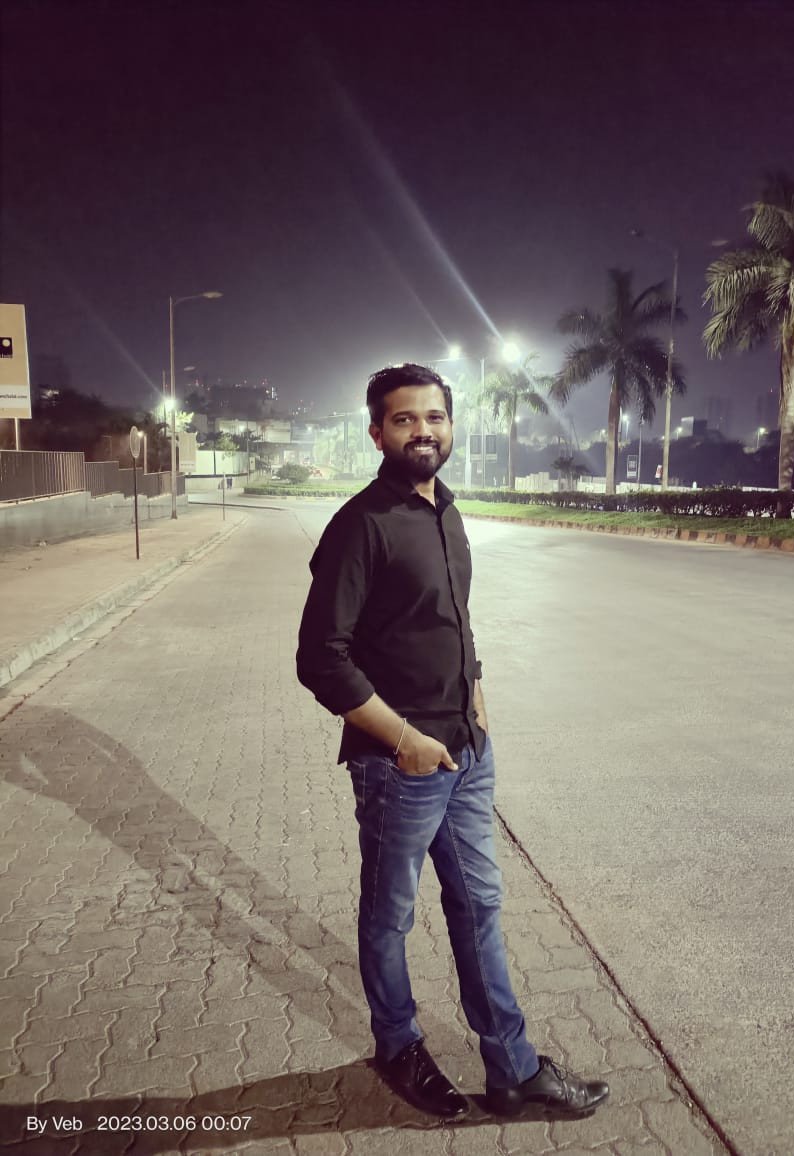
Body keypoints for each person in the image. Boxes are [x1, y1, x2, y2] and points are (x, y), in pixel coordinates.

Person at [297, 363, 609, 1120]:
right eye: (403, 419)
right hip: (399, 764)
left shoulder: (447, 511)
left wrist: (476, 695)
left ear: (451, 427)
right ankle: (398, 1047)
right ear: (376, 433)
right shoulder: (360, 525)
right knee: (390, 917)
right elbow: (320, 658)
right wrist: (404, 739)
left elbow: (450, 622)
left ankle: (513, 1071)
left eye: (433, 417)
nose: (421, 431)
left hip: (466, 755)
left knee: (479, 909)